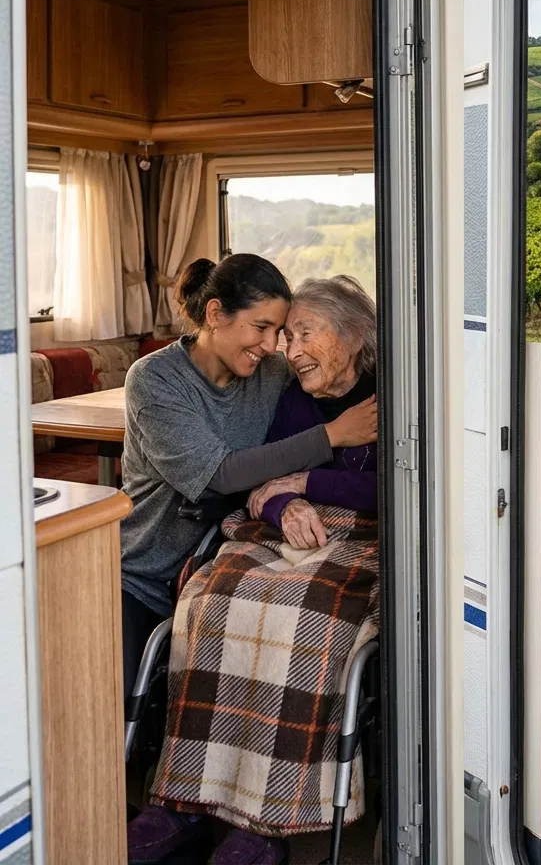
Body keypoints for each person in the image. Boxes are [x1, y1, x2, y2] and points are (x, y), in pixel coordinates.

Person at [127, 275, 379, 865]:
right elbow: (251, 477)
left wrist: (310, 483)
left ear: (355, 333)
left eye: (299, 334)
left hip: (361, 536)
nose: (286, 350)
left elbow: (402, 483)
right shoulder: (285, 391)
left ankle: (265, 827)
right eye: (278, 334)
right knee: (211, 599)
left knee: (301, 618)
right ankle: (182, 801)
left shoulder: (395, 385)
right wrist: (285, 501)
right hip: (268, 526)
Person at [120, 256, 377, 700]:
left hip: (222, 552)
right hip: (146, 572)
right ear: (216, 315)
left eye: (281, 331)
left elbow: (287, 453)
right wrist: (332, 437)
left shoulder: (273, 372)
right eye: (263, 328)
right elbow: (222, 474)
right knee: (112, 703)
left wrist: (294, 489)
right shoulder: (155, 379)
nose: (276, 346)